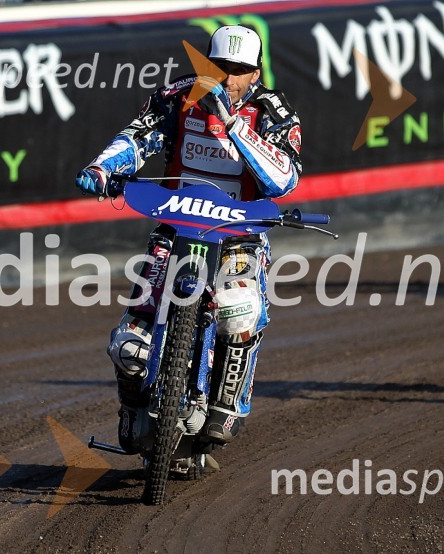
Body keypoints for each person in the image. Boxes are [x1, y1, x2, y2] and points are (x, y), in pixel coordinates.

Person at [75, 25, 302, 454]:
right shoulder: (177, 97)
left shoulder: (274, 111)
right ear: (206, 64)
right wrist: (102, 168)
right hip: (174, 228)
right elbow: (138, 136)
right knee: (129, 345)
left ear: (255, 73)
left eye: (240, 70)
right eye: (221, 67)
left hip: (240, 236)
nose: (229, 77)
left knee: (239, 312)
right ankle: (132, 407)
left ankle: (227, 405)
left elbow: (283, 180)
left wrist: (233, 124)